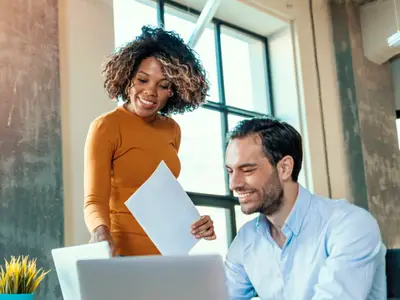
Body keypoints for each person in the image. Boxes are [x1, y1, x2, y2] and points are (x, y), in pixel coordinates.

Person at [84, 26, 216, 257]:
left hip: (168, 255)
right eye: (142, 80)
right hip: (121, 252)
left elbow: (164, 196)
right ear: (127, 79)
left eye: (163, 85)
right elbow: (94, 200)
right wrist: (100, 232)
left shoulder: (172, 130)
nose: (150, 92)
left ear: (174, 91)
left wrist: (197, 224)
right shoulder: (106, 126)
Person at [224, 117, 386, 299]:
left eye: (247, 170)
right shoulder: (247, 239)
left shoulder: (350, 225)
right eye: (230, 171)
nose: (234, 184)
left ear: (285, 168)